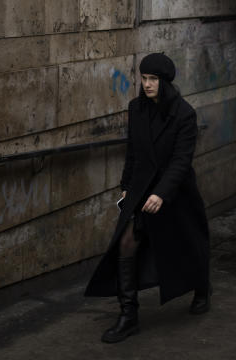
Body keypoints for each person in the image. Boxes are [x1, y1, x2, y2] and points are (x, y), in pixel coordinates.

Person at [84, 53, 211, 343]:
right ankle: (128, 315)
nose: (147, 84)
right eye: (144, 78)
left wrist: (161, 193)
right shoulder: (136, 108)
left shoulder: (184, 114)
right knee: (126, 243)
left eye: (153, 79)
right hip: (141, 190)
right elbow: (133, 151)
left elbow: (181, 160)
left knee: (189, 244)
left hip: (175, 192)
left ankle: (202, 288)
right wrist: (126, 185)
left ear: (165, 82)